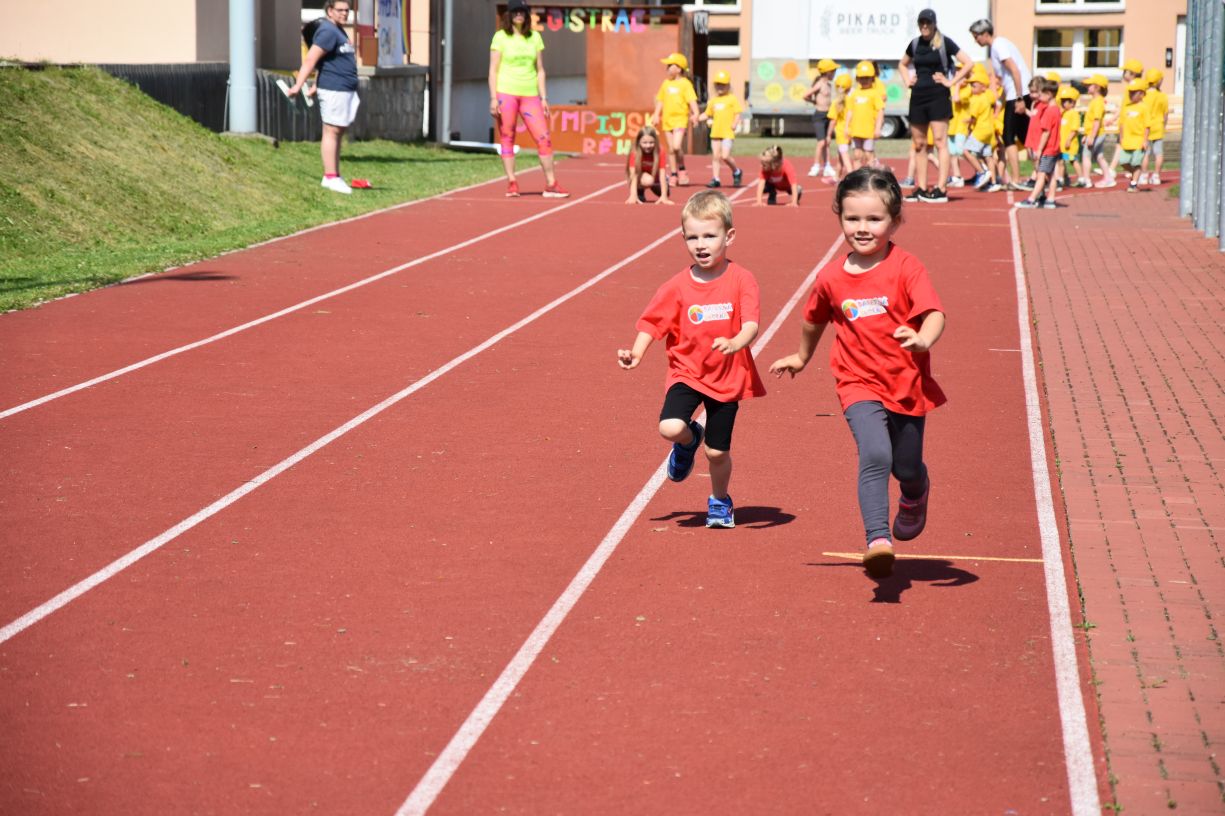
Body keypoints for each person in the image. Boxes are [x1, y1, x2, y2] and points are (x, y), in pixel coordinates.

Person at [769, 168, 946, 578]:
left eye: (873, 219)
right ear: (839, 217)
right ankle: (877, 541)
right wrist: (801, 357)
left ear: (894, 221)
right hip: (857, 383)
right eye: (852, 218)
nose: (862, 228)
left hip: (905, 383)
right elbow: (814, 319)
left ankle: (915, 492)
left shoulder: (907, 267)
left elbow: (935, 313)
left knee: (905, 467)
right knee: (875, 454)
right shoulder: (831, 277)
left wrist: (923, 339)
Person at [617, 190, 766, 529]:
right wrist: (636, 353)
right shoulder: (677, 286)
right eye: (693, 237)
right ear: (683, 237)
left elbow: (751, 324)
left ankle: (720, 500)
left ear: (729, 236)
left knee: (717, 453)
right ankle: (688, 441)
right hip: (686, 372)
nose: (701, 244)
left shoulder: (742, 279)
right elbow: (653, 323)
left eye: (709, 236)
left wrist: (736, 342)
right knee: (670, 427)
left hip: (727, 377)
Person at [488, 0, 569, 199]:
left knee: (543, 138)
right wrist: (493, 98)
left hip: (530, 95)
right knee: (507, 136)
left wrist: (544, 98)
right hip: (506, 93)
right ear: (509, 14)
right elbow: (493, 70)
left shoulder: (535, 37)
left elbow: (540, 70)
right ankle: (512, 182)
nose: (519, 15)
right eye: (515, 11)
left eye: (522, 12)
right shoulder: (500, 37)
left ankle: (551, 184)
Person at [899, 9, 973, 203]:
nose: (924, 26)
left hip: (938, 96)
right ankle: (922, 188)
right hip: (918, 97)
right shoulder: (915, 44)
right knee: (919, 144)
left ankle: (941, 189)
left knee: (940, 142)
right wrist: (907, 80)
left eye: (928, 22)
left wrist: (951, 82)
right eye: (921, 22)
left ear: (934, 24)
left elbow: (968, 63)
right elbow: (902, 64)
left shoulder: (945, 42)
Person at [287, 0, 359, 195]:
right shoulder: (328, 31)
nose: (344, 14)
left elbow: (327, 62)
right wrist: (298, 85)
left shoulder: (338, 31)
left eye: (347, 10)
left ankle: (334, 175)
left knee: (338, 130)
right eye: (340, 10)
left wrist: (316, 85)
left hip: (342, 88)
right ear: (330, 11)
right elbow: (311, 59)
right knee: (332, 130)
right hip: (335, 89)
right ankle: (330, 176)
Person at [968, 19, 1033, 193]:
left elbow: (1015, 71)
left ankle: (1017, 179)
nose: (975, 40)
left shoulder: (999, 45)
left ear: (985, 34)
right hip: (1014, 94)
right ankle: (1040, 175)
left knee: (1009, 136)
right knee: (1025, 137)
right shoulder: (997, 47)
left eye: (976, 36)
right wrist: (999, 102)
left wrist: (1019, 98)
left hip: (1018, 94)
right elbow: (1006, 79)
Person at [651, 53, 700, 188]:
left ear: (679, 68)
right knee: (671, 149)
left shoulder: (685, 84)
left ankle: (682, 169)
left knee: (677, 146)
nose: (667, 68)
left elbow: (691, 100)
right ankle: (673, 174)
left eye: (670, 66)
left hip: (680, 119)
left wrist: (696, 113)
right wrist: (656, 114)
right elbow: (660, 100)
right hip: (668, 120)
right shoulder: (666, 83)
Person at [1016, 79, 1062, 209]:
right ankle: (1049, 199)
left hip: (1047, 148)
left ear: (1049, 94)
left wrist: (1040, 149)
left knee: (1041, 174)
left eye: (1040, 94)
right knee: (1050, 174)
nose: (1039, 97)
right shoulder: (1054, 109)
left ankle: (1032, 199)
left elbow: (1046, 132)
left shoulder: (1049, 110)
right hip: (1051, 148)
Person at [698, 71, 744, 189]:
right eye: (718, 84)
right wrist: (697, 118)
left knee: (725, 156)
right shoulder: (713, 101)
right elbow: (707, 114)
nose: (720, 87)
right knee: (715, 156)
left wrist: (735, 123)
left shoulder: (732, 99)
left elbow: (737, 113)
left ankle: (737, 171)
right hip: (716, 132)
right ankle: (716, 178)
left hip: (727, 132)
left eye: (723, 85)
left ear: (728, 85)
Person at [1104, 58, 1145, 184]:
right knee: (1120, 146)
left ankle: (1137, 173)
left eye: (1125, 72)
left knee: (1133, 150)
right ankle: (1114, 169)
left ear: (1132, 73)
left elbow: (1125, 107)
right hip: (1127, 123)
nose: (1123, 74)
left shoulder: (1134, 88)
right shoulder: (1134, 87)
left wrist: (1113, 118)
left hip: (1130, 124)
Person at [963, 64, 1001, 191]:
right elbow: (995, 97)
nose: (971, 88)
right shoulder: (988, 96)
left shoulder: (977, 99)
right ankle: (993, 182)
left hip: (980, 130)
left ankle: (981, 172)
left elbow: (973, 118)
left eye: (974, 85)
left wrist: (967, 122)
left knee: (966, 151)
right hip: (989, 131)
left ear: (983, 87)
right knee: (988, 156)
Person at [846, 61, 884, 171]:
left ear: (872, 78)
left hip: (869, 131)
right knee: (857, 155)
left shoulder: (874, 93)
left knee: (868, 154)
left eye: (867, 78)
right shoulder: (854, 93)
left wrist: (878, 128)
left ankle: (873, 176)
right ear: (857, 79)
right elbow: (850, 111)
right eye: (861, 78)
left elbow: (880, 111)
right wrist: (847, 127)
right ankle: (856, 177)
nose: (864, 80)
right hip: (856, 130)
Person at [1116, 78, 1151, 193]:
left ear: (1141, 94)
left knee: (1136, 163)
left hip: (1138, 141)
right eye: (1130, 92)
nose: (1131, 95)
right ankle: (1135, 174)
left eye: (1134, 92)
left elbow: (1147, 126)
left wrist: (1145, 140)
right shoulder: (1126, 107)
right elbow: (1121, 124)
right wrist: (1121, 137)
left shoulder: (1144, 107)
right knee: (1123, 161)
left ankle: (1133, 184)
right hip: (1127, 140)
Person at [805, 59, 839, 178]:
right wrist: (814, 102)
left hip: (828, 115)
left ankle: (827, 166)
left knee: (827, 142)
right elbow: (805, 95)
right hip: (819, 115)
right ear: (827, 71)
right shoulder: (820, 83)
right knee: (821, 142)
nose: (835, 73)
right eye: (833, 71)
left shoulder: (829, 84)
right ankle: (815, 166)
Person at [626, 125, 672, 205]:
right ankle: (639, 191)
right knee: (648, 180)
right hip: (641, 176)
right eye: (644, 143)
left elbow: (662, 174)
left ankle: (659, 187)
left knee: (666, 192)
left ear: (655, 142)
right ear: (639, 142)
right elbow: (634, 175)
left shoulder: (660, 151)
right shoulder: (635, 151)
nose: (648, 146)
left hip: (655, 176)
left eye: (651, 142)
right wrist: (633, 195)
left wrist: (664, 196)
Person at [1139, 69, 1169, 186]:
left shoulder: (1143, 95)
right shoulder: (1162, 96)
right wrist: (1164, 125)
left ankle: (1144, 175)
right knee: (1158, 153)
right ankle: (1156, 175)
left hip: (1146, 127)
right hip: (1158, 126)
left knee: (1145, 153)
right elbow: (1165, 114)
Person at [1080, 75, 1111, 187]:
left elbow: (1097, 121)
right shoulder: (1095, 101)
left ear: (1097, 87)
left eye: (1090, 85)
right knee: (1099, 156)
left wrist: (1092, 136)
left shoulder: (1098, 102)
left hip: (1096, 134)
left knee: (1086, 155)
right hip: (1095, 134)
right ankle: (1108, 178)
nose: (1087, 87)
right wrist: (1086, 135)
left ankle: (1086, 180)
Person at [1056, 86, 1087, 188]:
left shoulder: (1074, 114)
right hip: (1062, 146)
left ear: (1072, 102)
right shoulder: (1064, 113)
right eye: (1062, 101)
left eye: (1065, 101)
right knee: (1061, 161)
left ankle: (1081, 178)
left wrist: (1069, 140)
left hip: (1070, 145)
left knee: (1073, 160)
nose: (1063, 103)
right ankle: (1060, 179)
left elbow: (1074, 129)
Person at [826, 73, 854, 182]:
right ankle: (837, 176)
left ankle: (852, 177)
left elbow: (833, 121)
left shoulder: (836, 102)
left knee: (844, 156)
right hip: (852, 130)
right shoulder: (852, 99)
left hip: (842, 132)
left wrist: (828, 135)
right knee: (840, 156)